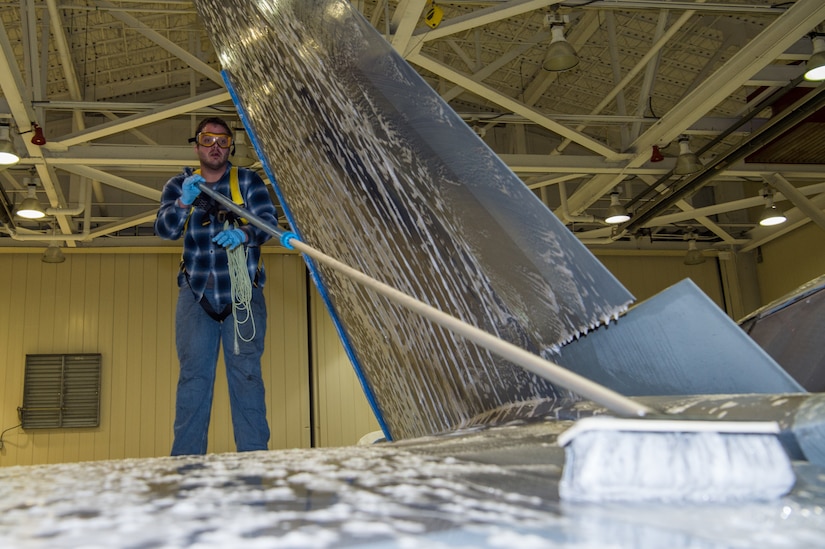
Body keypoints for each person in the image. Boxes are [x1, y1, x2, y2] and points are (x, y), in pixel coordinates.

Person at [155, 117, 278, 455]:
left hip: (243, 297)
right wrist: (183, 203)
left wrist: (245, 233)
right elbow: (165, 230)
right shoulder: (180, 185)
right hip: (197, 296)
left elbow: (268, 224)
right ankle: (186, 465)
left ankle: (255, 461)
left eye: (223, 141)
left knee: (247, 379)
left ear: (231, 147)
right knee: (193, 381)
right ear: (196, 146)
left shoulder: (248, 182)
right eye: (208, 139)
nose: (215, 147)